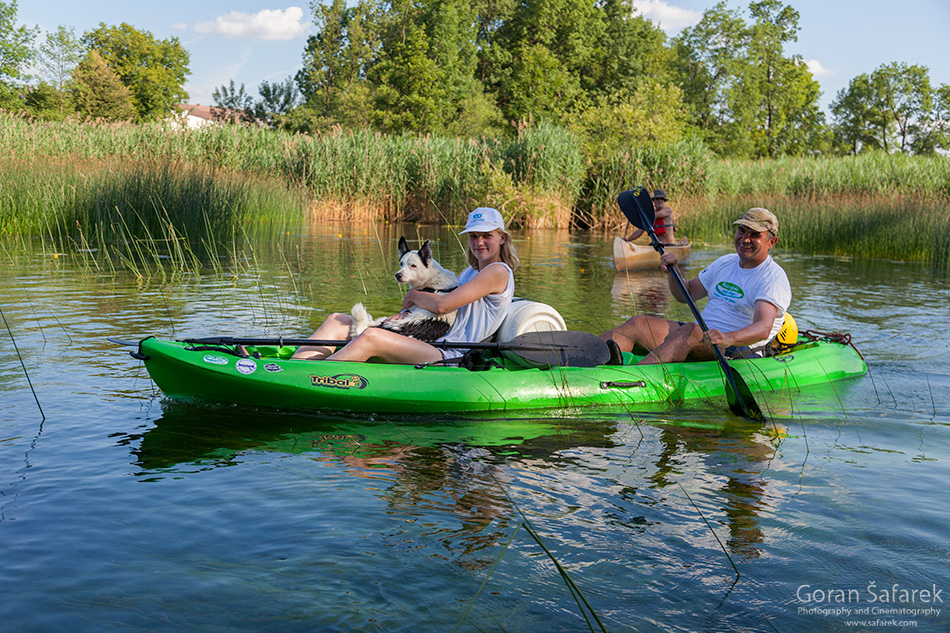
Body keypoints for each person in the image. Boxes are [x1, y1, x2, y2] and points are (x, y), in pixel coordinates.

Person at [292, 207, 519, 364]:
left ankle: (313, 378)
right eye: (473, 236)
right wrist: (404, 314)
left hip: (449, 353)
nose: (479, 242)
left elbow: (444, 306)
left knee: (371, 336)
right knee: (337, 320)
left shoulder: (498, 272)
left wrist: (412, 297)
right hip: (429, 339)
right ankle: (293, 369)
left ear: (502, 238)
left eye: (486, 235)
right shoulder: (470, 272)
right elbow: (434, 312)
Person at [601, 207, 791, 365]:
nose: (745, 239)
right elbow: (686, 294)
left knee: (691, 330)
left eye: (755, 235)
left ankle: (635, 377)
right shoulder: (725, 262)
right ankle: (579, 357)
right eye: (742, 230)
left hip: (739, 350)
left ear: (771, 241)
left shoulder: (772, 278)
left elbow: (763, 328)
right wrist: (673, 271)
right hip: (703, 337)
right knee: (638, 323)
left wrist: (728, 338)